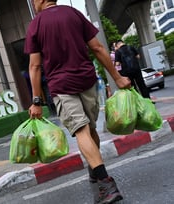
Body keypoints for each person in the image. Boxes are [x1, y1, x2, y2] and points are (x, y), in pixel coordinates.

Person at [24, 1, 131, 203]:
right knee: (90, 131)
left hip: (61, 86)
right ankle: (95, 170)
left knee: (81, 131)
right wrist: (117, 77)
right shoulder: (73, 13)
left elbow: (35, 66)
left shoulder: (36, 24)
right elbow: (98, 48)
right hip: (87, 81)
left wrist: (36, 101)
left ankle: (106, 183)